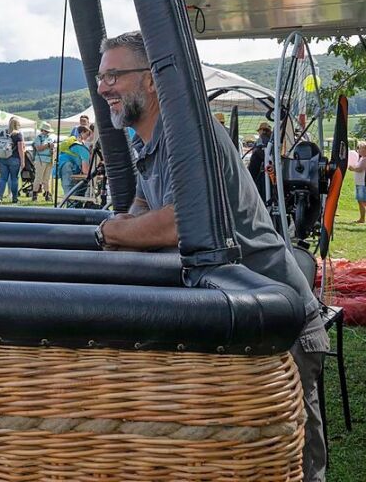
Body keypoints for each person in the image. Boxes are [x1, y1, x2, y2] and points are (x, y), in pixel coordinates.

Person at [92, 31, 329, 482]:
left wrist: (110, 232)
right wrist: (127, 227)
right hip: (239, 318)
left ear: (152, 81)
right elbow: (144, 206)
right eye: (101, 76)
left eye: (114, 75)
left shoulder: (191, 135)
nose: (104, 87)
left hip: (278, 321)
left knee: (291, 464)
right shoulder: (150, 142)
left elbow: (182, 223)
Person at [0, 117, 27, 204]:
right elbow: (20, 149)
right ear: (17, 125)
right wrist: (23, 161)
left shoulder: (2, 133)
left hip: (2, 158)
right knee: (14, 179)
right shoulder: (18, 134)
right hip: (14, 159)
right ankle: (15, 198)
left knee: (2, 178)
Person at [56, 126, 91, 199]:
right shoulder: (82, 147)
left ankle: (69, 205)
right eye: (87, 134)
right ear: (82, 133)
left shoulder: (72, 140)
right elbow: (85, 171)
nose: (88, 137)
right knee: (71, 191)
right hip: (68, 166)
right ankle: (71, 208)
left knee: (67, 188)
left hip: (63, 165)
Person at [246, 121, 272, 203]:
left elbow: (256, 154)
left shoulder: (261, 140)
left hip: (260, 170)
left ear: (263, 130)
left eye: (259, 131)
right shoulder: (273, 140)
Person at [31, 121, 54, 201]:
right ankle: (34, 194)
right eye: (46, 131)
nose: (47, 132)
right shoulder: (38, 138)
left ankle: (47, 194)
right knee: (38, 177)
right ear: (42, 130)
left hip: (48, 159)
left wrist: (52, 149)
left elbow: (51, 149)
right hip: (40, 159)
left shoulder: (49, 138)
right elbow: (38, 148)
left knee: (47, 178)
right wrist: (48, 145)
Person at [350, 140, 366, 223]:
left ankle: (362, 219)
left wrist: (353, 169)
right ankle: (362, 218)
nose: (358, 150)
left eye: (359, 148)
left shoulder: (364, 159)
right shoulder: (362, 159)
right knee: (361, 201)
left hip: (362, 184)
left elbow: (360, 169)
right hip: (359, 183)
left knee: (362, 201)